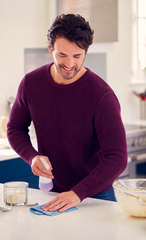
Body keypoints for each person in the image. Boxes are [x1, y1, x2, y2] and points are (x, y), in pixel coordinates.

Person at [7, 14, 127, 212]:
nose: (69, 64)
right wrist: (32, 157)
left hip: (94, 196)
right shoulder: (31, 84)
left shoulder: (101, 95)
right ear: (50, 49)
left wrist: (78, 193)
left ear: (86, 52)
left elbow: (117, 157)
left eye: (77, 56)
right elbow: (15, 129)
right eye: (62, 55)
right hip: (52, 192)